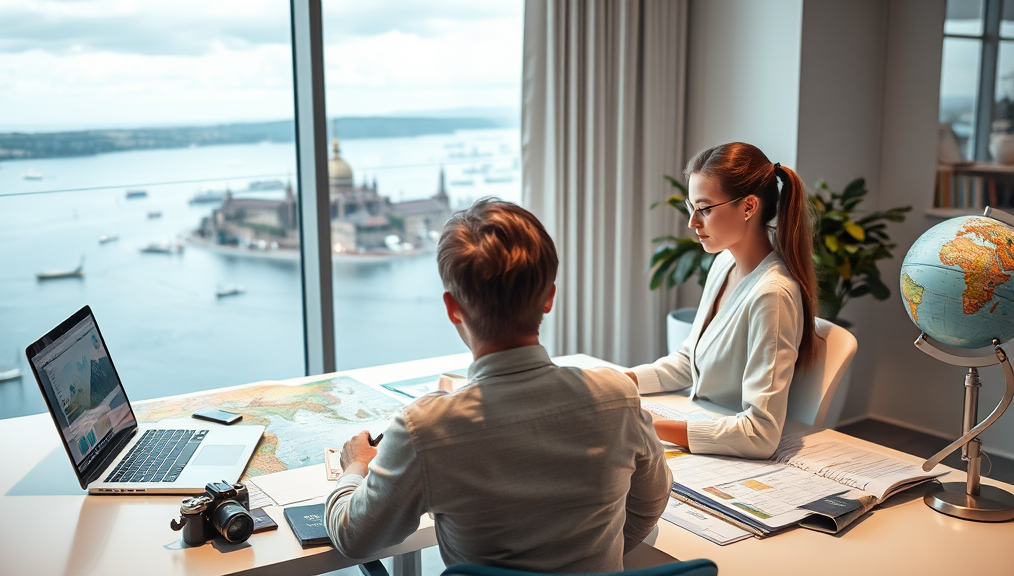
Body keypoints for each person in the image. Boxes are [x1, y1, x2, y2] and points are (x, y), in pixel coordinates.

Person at [326, 198, 671, 572]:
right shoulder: (617, 397)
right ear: (549, 298)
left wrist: (355, 466)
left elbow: (353, 538)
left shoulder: (425, 429)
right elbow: (651, 502)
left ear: (452, 307)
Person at [627, 142, 819, 459]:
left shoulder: (772, 294)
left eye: (704, 209)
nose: (692, 222)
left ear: (748, 207)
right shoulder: (724, 263)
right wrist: (618, 384)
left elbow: (760, 434)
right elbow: (690, 363)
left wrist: (648, 425)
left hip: (729, 453)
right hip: (702, 424)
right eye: (691, 207)